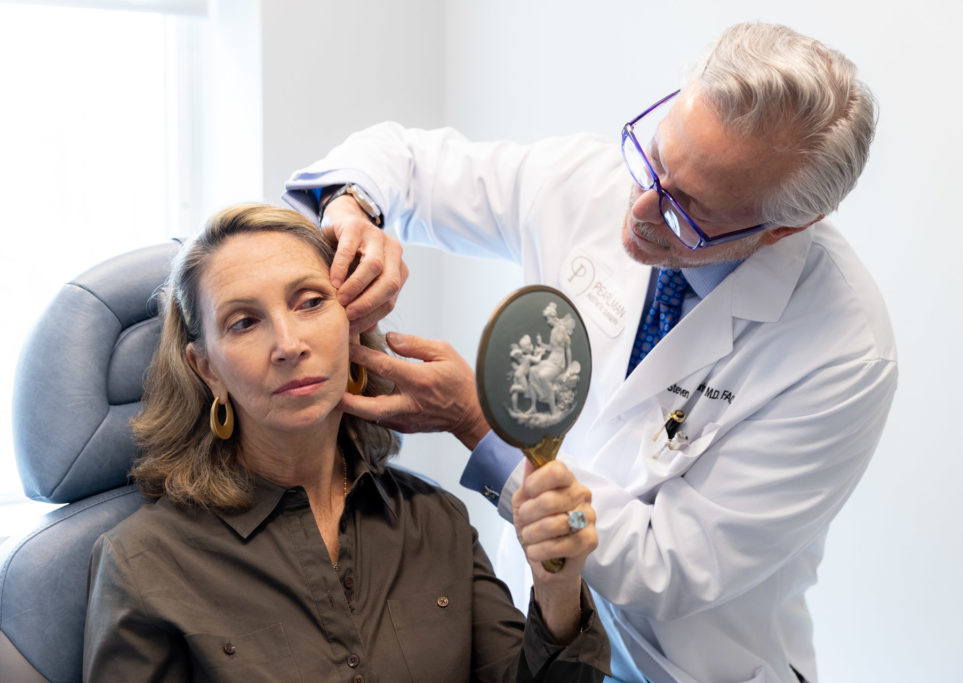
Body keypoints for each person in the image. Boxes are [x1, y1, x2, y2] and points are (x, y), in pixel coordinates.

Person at [283, 22, 897, 683]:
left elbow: (667, 566)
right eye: (655, 157)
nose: (640, 208)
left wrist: (483, 426)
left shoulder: (842, 351)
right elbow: (405, 164)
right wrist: (352, 208)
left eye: (688, 209)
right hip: (538, 637)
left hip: (676, 667)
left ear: (787, 227)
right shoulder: (587, 183)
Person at [83, 204, 612, 682]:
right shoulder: (143, 563)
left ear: (353, 324)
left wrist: (557, 589)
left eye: (311, 302)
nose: (289, 344)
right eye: (244, 322)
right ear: (207, 369)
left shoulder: (435, 521)